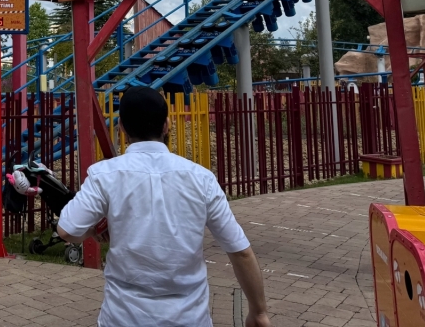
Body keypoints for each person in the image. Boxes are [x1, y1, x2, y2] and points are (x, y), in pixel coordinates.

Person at [56, 86, 270, 327]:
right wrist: (259, 312)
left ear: (122, 129)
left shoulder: (104, 175)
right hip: (190, 318)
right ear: (167, 124)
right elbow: (240, 251)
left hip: (123, 318)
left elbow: (67, 230)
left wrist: (92, 231)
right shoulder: (201, 178)